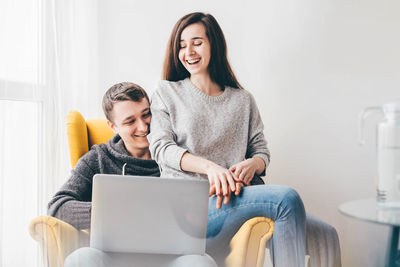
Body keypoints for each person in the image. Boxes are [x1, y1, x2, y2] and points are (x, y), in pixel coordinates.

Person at [148, 12, 341, 267]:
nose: (189, 52)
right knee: (286, 199)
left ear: (213, 44)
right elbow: (161, 148)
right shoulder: (167, 92)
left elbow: (261, 152)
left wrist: (253, 164)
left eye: (197, 42)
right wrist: (210, 168)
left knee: (327, 235)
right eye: (182, 45)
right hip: (192, 210)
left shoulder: (242, 100)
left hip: (238, 198)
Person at [48, 82, 217, 267]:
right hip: (111, 257)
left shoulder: (179, 155)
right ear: (113, 127)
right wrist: (107, 211)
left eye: (146, 115)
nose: (143, 127)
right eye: (130, 121)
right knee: (80, 259)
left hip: (176, 257)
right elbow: (57, 207)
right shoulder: (97, 159)